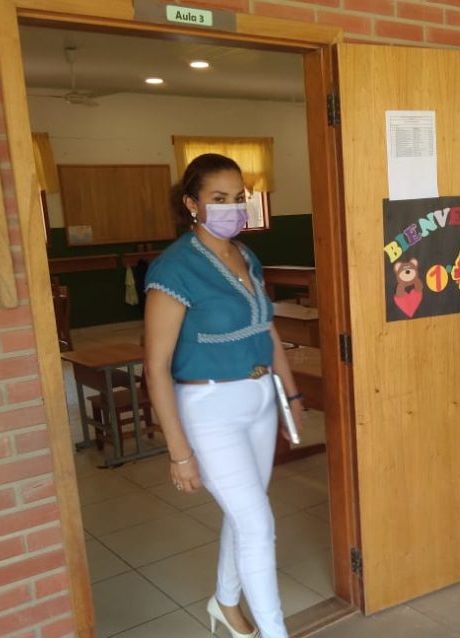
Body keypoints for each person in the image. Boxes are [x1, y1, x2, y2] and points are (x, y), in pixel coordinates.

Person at [143, 153, 303, 638]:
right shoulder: (174, 269)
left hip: (260, 399)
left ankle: (226, 603)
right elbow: (155, 366)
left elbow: (267, 327)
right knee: (257, 524)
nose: (232, 209)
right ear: (192, 204)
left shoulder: (245, 255)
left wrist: (291, 395)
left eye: (239, 198)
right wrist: (179, 453)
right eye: (219, 199)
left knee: (244, 513)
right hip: (209, 409)